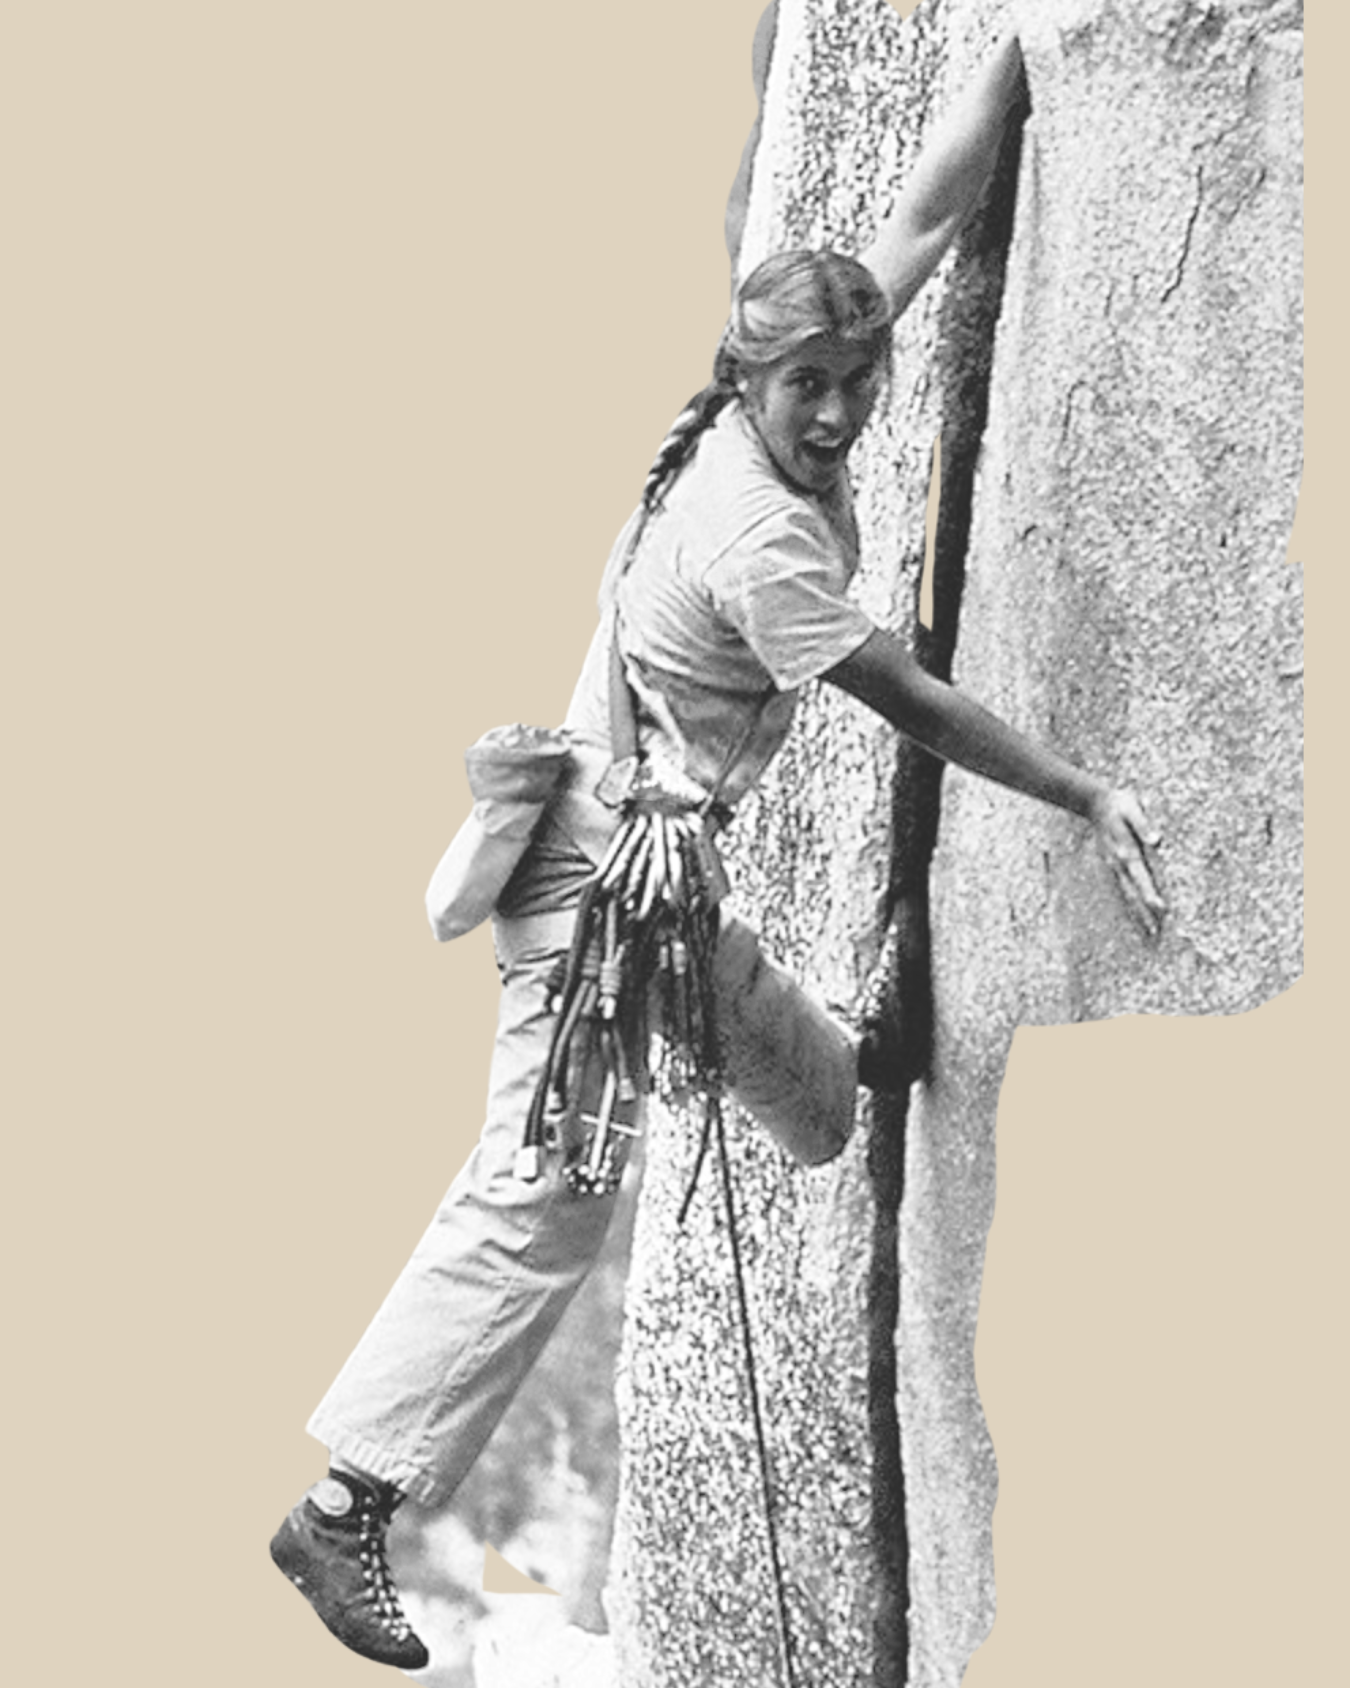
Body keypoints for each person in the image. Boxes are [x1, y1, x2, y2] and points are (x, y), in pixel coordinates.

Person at [270, 33, 1165, 1673]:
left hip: (654, 878)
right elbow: (912, 701)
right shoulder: (755, 538)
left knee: (820, 1111)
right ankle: (343, 1510)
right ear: (750, 381)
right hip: (598, 892)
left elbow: (920, 215)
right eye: (805, 388)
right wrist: (1085, 792)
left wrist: (1018, 55)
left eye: (852, 381)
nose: (836, 413)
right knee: (542, 1197)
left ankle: (852, 1047)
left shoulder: (752, 404)